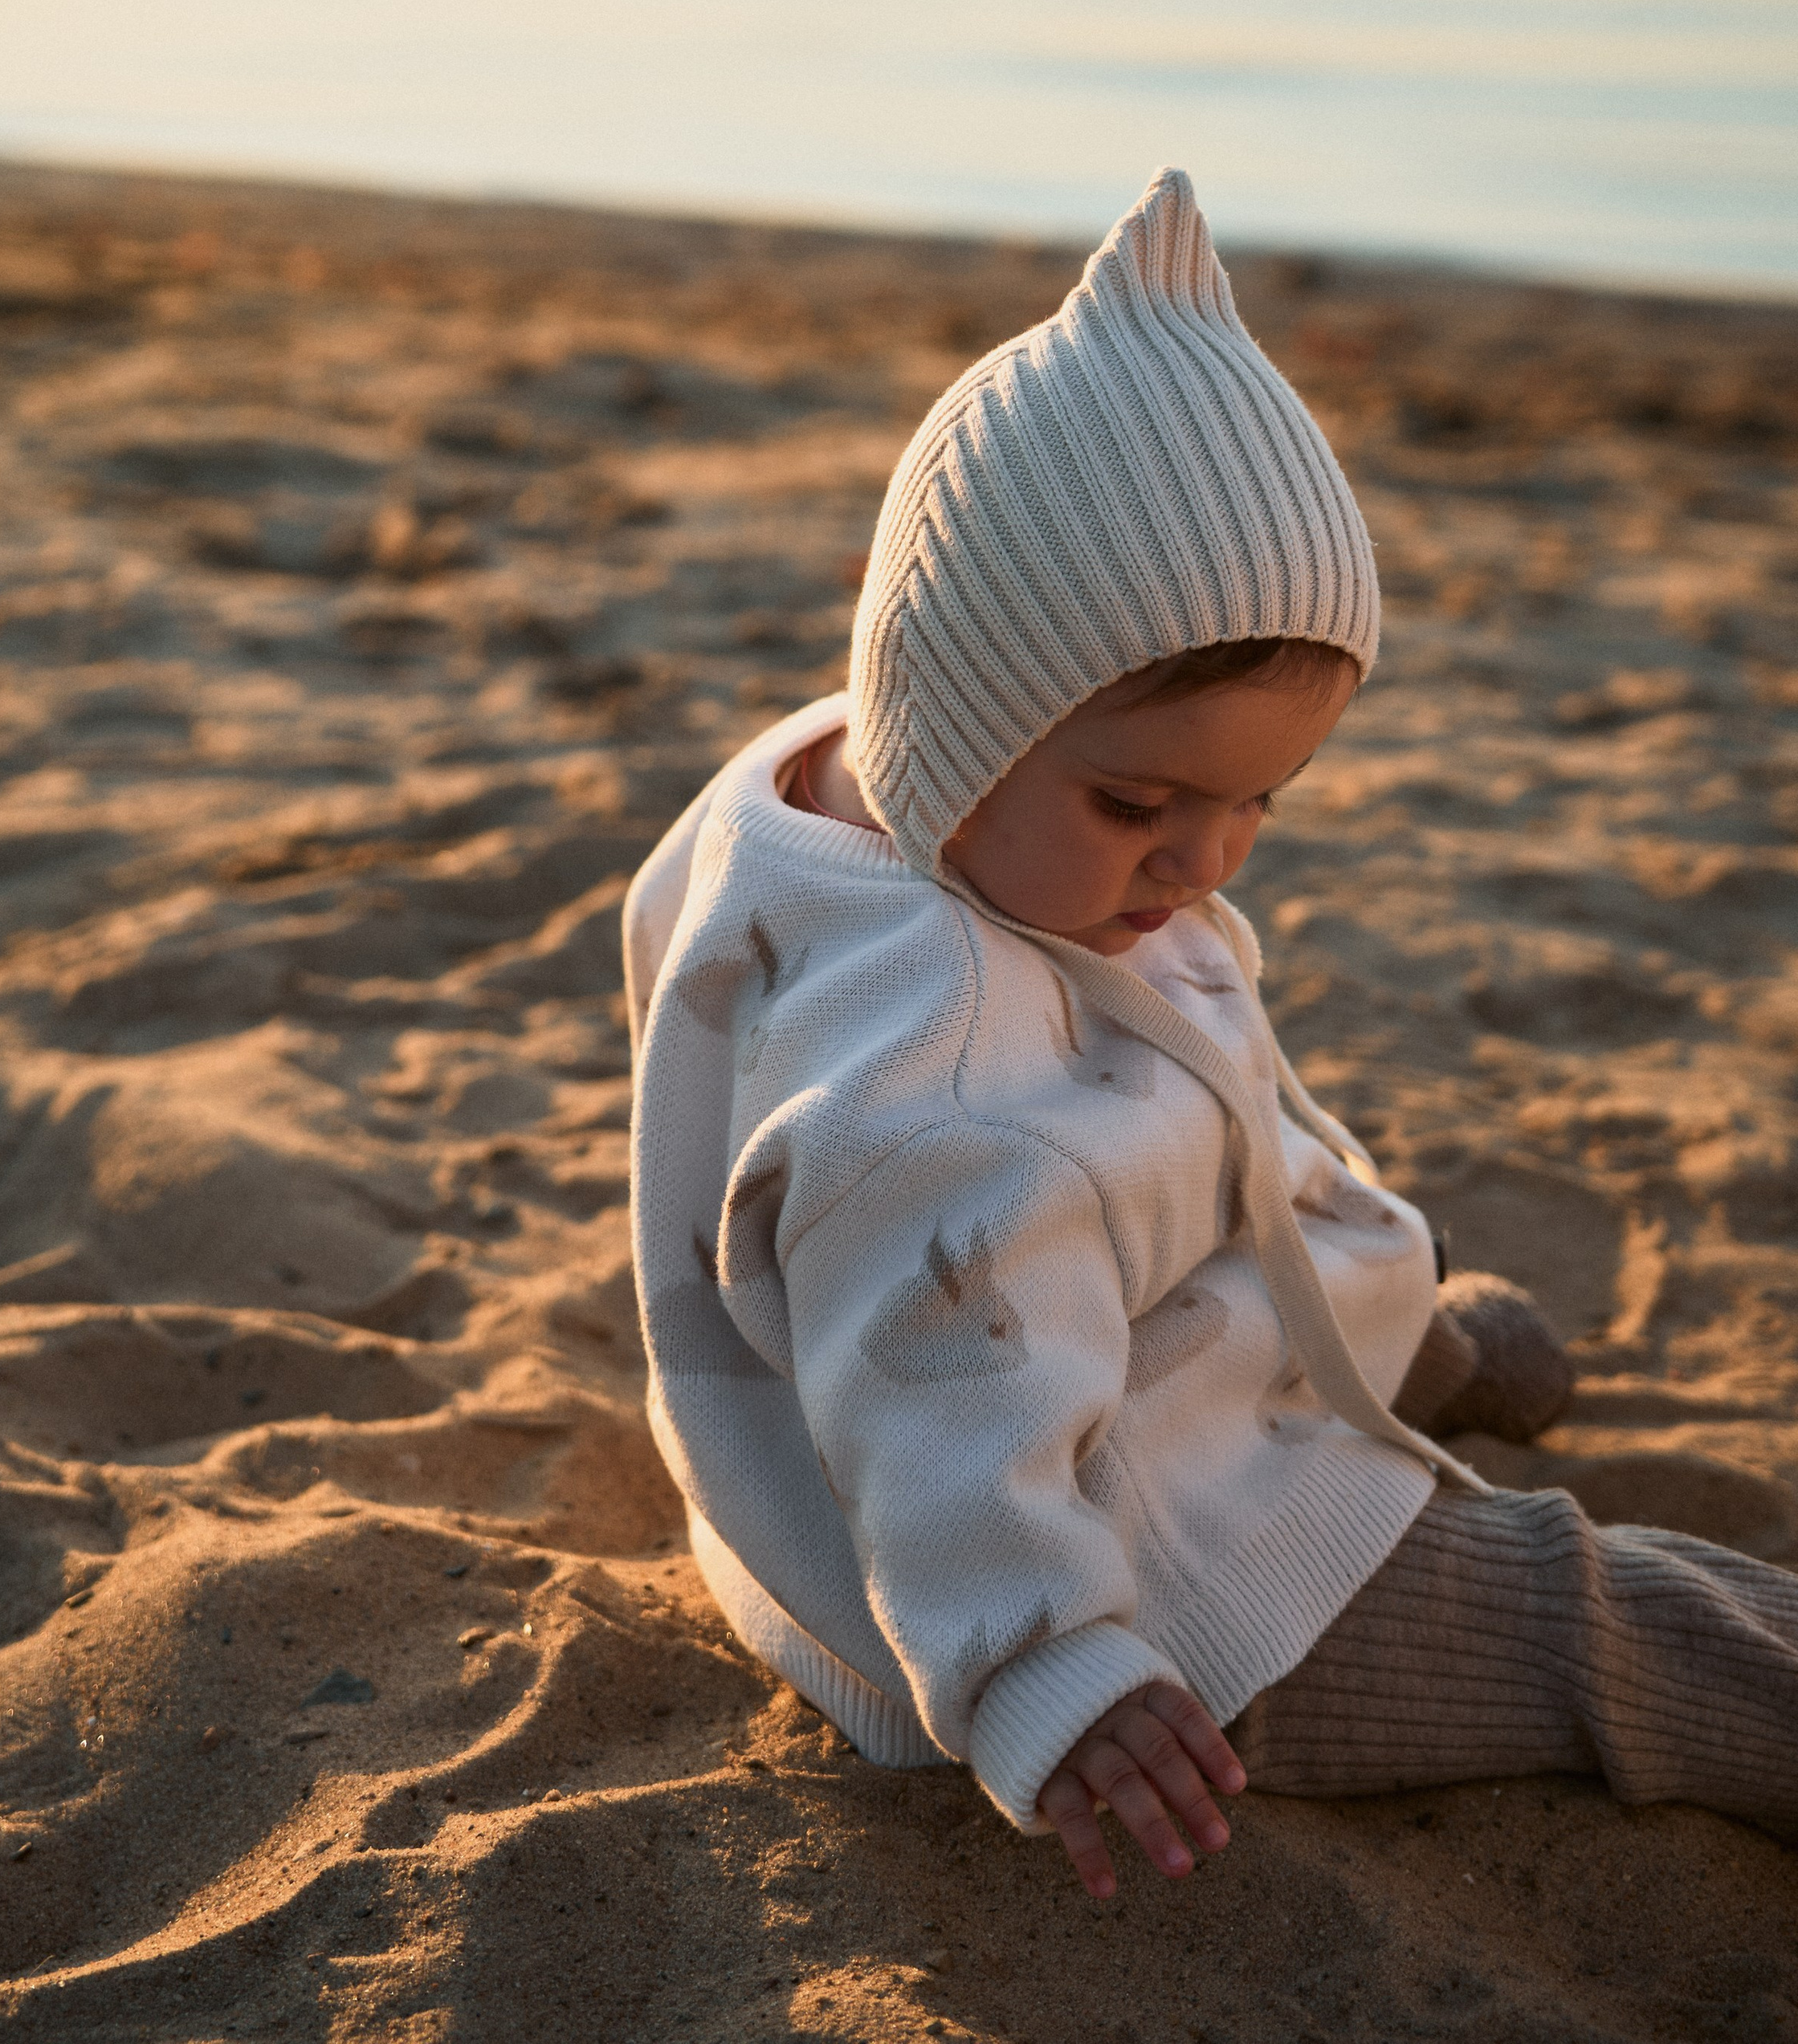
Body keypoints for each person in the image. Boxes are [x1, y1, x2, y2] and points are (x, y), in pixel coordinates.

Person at [625, 169, 1797, 1899]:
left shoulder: (821, 794)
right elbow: (935, 1393)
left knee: (1337, 1248)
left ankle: (1368, 1322)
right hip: (1140, 1574)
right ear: (959, 705)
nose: (1204, 859)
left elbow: (1170, 1094)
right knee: (1600, 1618)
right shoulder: (922, 1097)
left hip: (1077, 1327)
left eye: (1262, 800)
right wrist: (1049, 1672)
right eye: (1139, 800)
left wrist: (1121, 820)